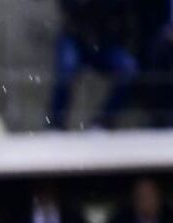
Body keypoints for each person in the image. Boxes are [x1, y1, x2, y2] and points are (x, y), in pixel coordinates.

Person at [49, 0, 140, 129]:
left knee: (129, 69)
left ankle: (103, 122)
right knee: (66, 70)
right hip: (75, 38)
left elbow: (123, 13)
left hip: (105, 42)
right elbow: (68, 7)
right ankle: (56, 123)